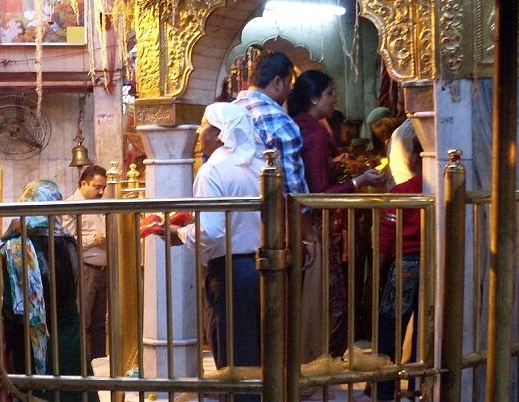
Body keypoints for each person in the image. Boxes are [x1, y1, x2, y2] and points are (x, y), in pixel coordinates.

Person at [160, 103, 263, 402]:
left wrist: (179, 232)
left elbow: (212, 231)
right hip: (262, 268)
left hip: (231, 273)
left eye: (203, 127)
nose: (198, 134)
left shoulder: (213, 170)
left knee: (234, 358)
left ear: (220, 135)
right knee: (257, 356)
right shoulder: (257, 166)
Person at [287, 70, 385, 359]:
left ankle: (306, 364)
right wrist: (359, 181)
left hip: (300, 226)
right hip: (313, 227)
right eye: (330, 93)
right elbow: (317, 195)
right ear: (314, 98)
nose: (335, 100)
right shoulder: (314, 134)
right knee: (325, 301)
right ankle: (315, 364)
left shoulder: (303, 126)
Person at [0, 180, 91, 402]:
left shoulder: (13, 247)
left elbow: (11, 306)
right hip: (69, 337)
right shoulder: (67, 242)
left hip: (30, 344)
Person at [357, 138, 423, 402]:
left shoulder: (404, 191)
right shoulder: (445, 189)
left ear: (416, 157)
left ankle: (383, 390)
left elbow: (386, 234)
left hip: (406, 264)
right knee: (424, 329)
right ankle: (419, 386)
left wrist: (377, 269)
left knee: (390, 326)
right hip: (436, 264)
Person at [232, 50, 308, 196]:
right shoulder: (280, 122)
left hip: (228, 211)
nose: (290, 91)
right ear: (278, 82)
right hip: (268, 213)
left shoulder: (225, 114)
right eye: (289, 83)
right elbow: (294, 191)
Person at [62, 165, 109, 359]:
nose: (101, 192)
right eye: (97, 187)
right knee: (83, 320)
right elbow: (67, 240)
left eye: (103, 188)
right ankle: (80, 364)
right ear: (83, 183)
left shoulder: (100, 204)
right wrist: (93, 240)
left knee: (100, 323)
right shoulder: (70, 206)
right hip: (85, 269)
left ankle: (98, 364)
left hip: (104, 269)